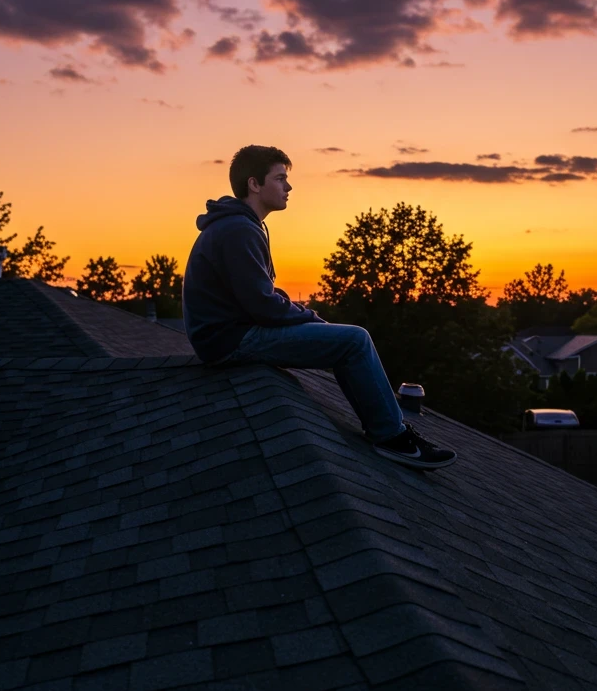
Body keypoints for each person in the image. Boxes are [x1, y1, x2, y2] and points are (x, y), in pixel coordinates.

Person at [182, 144, 457, 471]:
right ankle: (393, 438)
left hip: (230, 333)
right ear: (254, 184)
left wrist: (306, 321)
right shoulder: (238, 229)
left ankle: (387, 429)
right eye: (280, 178)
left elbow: (260, 294)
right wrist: (311, 318)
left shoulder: (240, 225)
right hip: (228, 341)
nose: (288, 187)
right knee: (354, 340)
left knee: (343, 340)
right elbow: (263, 306)